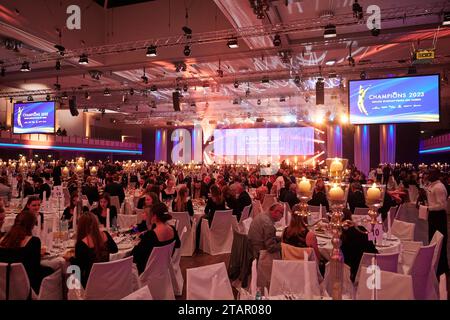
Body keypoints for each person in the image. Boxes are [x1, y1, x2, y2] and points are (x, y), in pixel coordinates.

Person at [0, 210, 54, 293]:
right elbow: (35, 268)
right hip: (27, 284)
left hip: (5, 285)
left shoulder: (3, 240)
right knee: (53, 271)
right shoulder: (33, 241)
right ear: (31, 226)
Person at [64, 212, 118, 288]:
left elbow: (78, 269)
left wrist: (70, 259)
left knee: (68, 279)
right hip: (107, 279)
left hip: (90, 283)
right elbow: (115, 250)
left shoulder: (81, 244)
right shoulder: (105, 234)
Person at [131, 202, 180, 274]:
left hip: (149, 272)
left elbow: (136, 256)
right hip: (164, 268)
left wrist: (135, 246)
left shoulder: (151, 235)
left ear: (155, 216)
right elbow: (178, 245)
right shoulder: (173, 229)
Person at [340, 208, 378, 282]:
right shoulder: (362, 229)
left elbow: (343, 259)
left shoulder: (344, 237)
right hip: (373, 270)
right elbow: (372, 247)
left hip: (352, 273)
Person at [426, 168, 449, 276]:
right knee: (432, 239)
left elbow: (442, 205)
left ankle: (442, 268)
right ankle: (434, 263)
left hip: (438, 217)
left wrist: (428, 208)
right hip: (433, 216)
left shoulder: (439, 187)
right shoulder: (432, 185)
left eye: (431, 173)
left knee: (439, 240)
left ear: (437, 174)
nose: (428, 175)